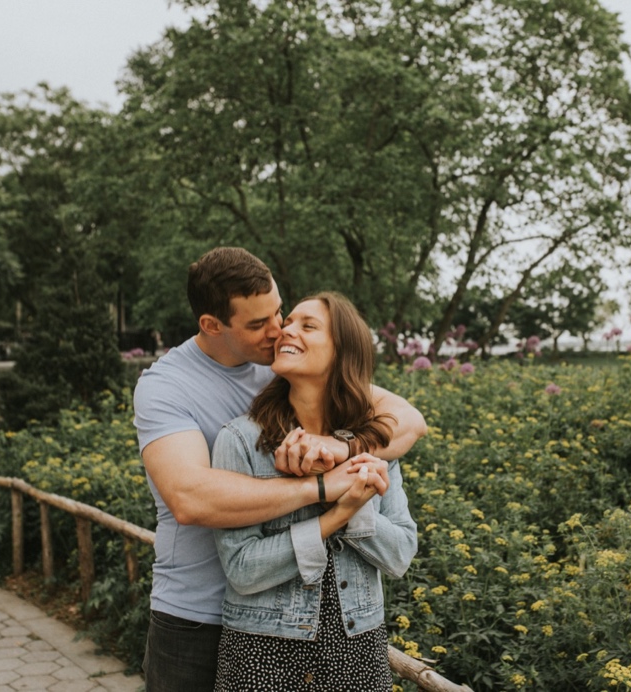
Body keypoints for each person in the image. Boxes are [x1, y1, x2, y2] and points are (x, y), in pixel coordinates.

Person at [135, 247, 426, 691]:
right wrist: (326, 490)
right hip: (196, 614)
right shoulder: (167, 387)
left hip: (328, 625)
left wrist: (341, 445)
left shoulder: (283, 365)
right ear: (213, 326)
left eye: (281, 313)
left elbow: (408, 420)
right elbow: (189, 499)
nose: (278, 331)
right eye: (259, 324)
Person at [210, 291, 416, 691]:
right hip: (262, 648)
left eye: (308, 326)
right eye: (290, 322)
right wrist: (338, 513)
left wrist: (354, 501)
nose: (286, 329)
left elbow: (401, 553)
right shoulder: (241, 440)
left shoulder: (372, 442)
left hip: (359, 648)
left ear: (342, 352)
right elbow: (242, 569)